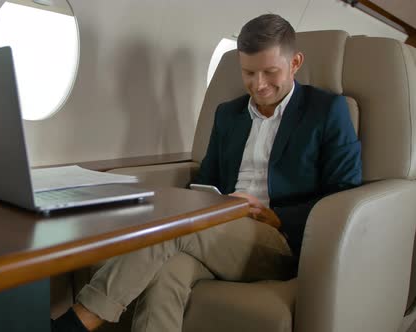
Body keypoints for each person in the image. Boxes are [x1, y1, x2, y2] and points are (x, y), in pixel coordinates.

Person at [52, 13, 362, 332]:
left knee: (173, 226)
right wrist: (212, 202)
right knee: (166, 274)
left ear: (295, 62)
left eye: (271, 72)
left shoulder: (327, 111)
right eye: (249, 72)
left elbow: (343, 195)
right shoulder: (229, 114)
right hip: (217, 226)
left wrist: (277, 216)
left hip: (279, 238)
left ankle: (77, 323)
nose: (259, 85)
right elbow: (207, 182)